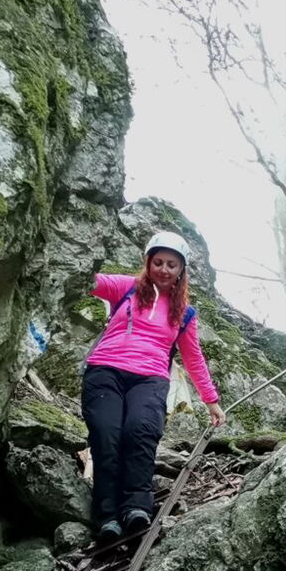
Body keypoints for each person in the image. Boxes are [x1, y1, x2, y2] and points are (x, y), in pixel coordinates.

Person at [80, 231, 226, 544]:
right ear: (148, 262)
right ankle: (106, 515)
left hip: (150, 378)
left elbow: (193, 357)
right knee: (107, 436)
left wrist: (210, 400)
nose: (163, 269)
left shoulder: (184, 313)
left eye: (171, 264)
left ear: (181, 270)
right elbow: (84, 278)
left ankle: (136, 507)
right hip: (105, 370)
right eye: (157, 262)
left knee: (140, 432)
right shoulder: (127, 287)